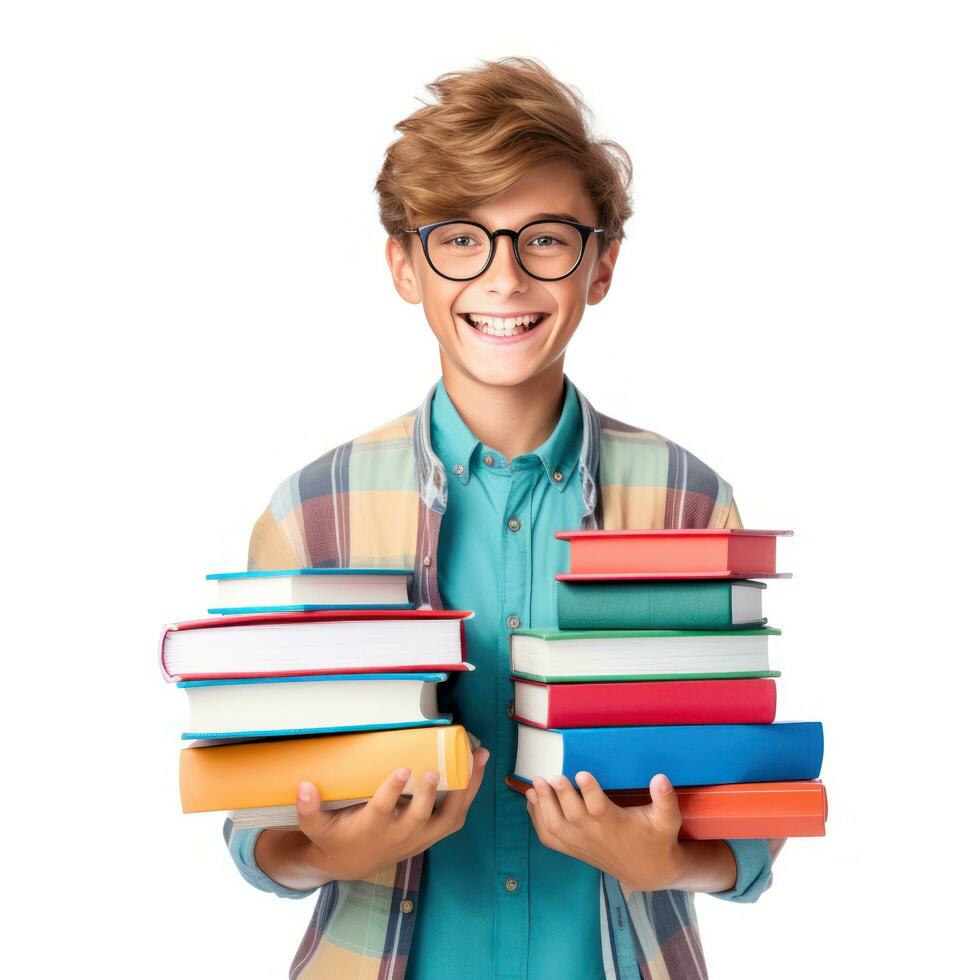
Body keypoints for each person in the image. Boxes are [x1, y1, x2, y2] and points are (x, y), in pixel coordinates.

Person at [224, 56, 785, 980]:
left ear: (599, 265)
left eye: (545, 240)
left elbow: (747, 789)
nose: (505, 277)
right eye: (462, 240)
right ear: (405, 264)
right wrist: (332, 853)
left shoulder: (692, 502)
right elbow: (255, 819)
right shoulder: (310, 516)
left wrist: (673, 862)